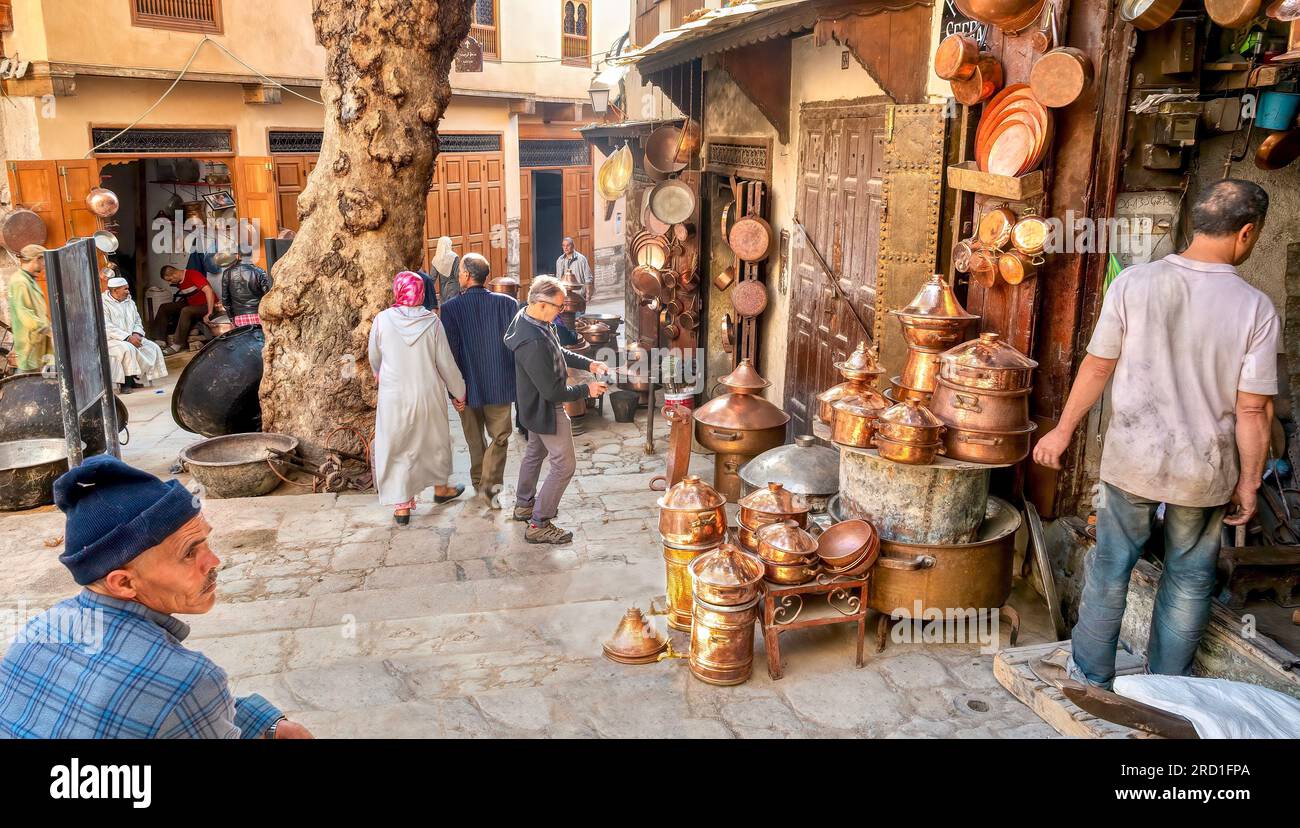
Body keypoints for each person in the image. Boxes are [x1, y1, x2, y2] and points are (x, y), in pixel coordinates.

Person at [1033, 179, 1278, 690]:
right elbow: (1253, 409)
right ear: (1247, 233)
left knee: (1111, 567)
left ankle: (1091, 677)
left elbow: (1097, 367)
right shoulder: (1256, 307)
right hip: (1204, 470)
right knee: (1189, 577)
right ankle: (1168, 687)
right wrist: (1249, 481)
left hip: (1133, 459)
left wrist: (1062, 431)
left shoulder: (1133, 284)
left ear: (1196, 224)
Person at [0, 455, 312, 739]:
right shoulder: (189, 681)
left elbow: (169, 710)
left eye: (205, 542)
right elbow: (177, 697)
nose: (214, 561)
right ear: (123, 583)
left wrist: (267, 723)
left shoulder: (38, 630)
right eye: (190, 552)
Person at [503, 276, 608, 544]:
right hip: (546, 408)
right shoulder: (532, 341)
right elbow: (551, 392)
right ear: (540, 303)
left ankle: (524, 505)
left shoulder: (531, 319)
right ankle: (539, 523)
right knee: (564, 466)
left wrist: (590, 365)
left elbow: (557, 351)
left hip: (530, 405)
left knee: (534, 453)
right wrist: (588, 390)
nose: (561, 312)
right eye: (558, 307)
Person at [369, 270, 468, 525]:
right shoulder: (432, 322)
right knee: (433, 443)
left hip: (393, 395)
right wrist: (459, 393)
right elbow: (446, 363)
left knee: (398, 445)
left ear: (397, 291)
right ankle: (440, 489)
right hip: (427, 393)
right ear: (423, 293)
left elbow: (374, 358)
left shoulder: (381, 320)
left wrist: (380, 374)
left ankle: (402, 506)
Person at [440, 253, 517, 508]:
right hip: (500, 383)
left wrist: (454, 393)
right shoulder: (507, 303)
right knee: (501, 438)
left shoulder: (451, 309)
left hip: (466, 387)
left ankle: (480, 485)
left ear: (465, 275)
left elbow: (450, 353)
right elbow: (514, 345)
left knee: (475, 440)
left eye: (460, 271)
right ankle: (489, 489)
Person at [102, 276, 167, 392]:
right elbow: (107, 326)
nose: (128, 291)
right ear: (115, 290)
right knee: (127, 349)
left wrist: (137, 334)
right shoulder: (103, 304)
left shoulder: (130, 302)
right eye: (125, 289)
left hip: (131, 336)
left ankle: (133, 379)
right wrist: (127, 337)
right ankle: (125, 385)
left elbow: (137, 321)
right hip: (111, 340)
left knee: (153, 347)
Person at [7, 245, 53, 373]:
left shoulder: (29, 280)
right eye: (43, 260)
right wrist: (48, 329)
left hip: (37, 343)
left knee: (36, 379)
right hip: (30, 344)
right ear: (36, 259)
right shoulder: (20, 282)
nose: (44, 264)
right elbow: (25, 314)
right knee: (27, 381)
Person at [149, 264, 215, 354]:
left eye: (169, 280)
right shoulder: (178, 282)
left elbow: (209, 290)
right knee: (165, 307)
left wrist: (210, 312)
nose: (169, 283)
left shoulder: (192, 274)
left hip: (206, 305)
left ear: (175, 274)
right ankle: (159, 340)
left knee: (186, 310)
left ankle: (177, 344)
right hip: (192, 304)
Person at [220, 258, 272, 327]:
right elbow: (268, 296)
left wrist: (231, 318)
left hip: (239, 318)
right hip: (258, 315)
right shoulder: (259, 271)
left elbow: (225, 301)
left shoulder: (227, 273)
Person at [556, 237, 593, 301]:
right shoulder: (560, 260)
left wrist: (588, 294)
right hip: (564, 296)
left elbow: (588, 278)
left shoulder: (581, 259)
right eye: (564, 245)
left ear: (573, 246)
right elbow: (558, 279)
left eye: (568, 245)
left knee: (579, 311)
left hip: (579, 295)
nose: (565, 248)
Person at [430, 236, 461, 307]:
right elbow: (457, 275)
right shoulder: (454, 257)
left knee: (445, 309)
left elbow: (432, 278)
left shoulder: (436, 259)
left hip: (443, 290)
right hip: (454, 288)